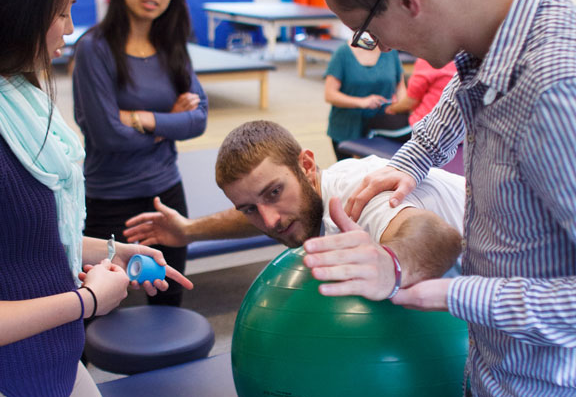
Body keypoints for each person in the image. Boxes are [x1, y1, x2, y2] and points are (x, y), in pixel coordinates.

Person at [313, 0, 576, 397]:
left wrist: (455, 293)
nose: (380, 50)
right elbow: (461, 101)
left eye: (367, 34)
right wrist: (406, 163)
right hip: (492, 393)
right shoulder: (495, 32)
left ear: (405, 0)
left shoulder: (557, 86)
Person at [0, 0, 193, 397]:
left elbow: (29, 238)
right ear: (12, 11)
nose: (67, 29)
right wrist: (88, 302)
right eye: (59, 11)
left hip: (57, 354)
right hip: (5, 384)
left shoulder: (17, 96)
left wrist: (114, 252)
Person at [124, 120, 465, 296]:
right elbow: (266, 214)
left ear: (306, 165)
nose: (269, 220)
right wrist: (188, 230)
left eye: (274, 191)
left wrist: (389, 266)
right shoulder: (301, 201)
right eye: (250, 208)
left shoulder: (357, 197)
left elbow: (438, 237)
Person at [72, 0, 208, 307]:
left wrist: (142, 118)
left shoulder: (173, 45)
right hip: (108, 200)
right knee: (92, 308)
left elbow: (198, 120)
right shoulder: (94, 49)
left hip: (164, 196)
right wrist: (170, 123)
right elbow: (107, 136)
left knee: (168, 294)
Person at [324, 38, 408, 160]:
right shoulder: (342, 53)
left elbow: (400, 87)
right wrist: (362, 102)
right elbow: (330, 94)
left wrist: (400, 107)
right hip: (347, 127)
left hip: (382, 127)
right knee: (349, 175)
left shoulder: (390, 52)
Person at [385, 58, 455, 128]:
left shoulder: (428, 61)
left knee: (378, 122)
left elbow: (410, 102)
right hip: (452, 123)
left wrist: (391, 108)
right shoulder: (458, 60)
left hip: (425, 124)